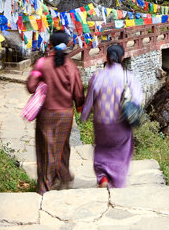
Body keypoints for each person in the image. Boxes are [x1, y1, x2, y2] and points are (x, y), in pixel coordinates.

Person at [26, 31, 84, 195]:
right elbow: (78, 91)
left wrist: (39, 79)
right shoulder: (71, 66)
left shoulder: (42, 63)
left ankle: (45, 186)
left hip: (47, 113)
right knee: (63, 145)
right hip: (65, 113)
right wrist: (80, 108)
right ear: (67, 44)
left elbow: (31, 86)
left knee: (46, 147)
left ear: (50, 44)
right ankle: (64, 176)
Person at [81, 44, 143, 188]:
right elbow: (137, 100)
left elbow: (90, 99)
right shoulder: (128, 77)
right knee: (121, 150)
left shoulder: (98, 76)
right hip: (120, 123)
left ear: (106, 57)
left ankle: (103, 177)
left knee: (102, 148)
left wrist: (84, 116)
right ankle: (117, 181)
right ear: (122, 58)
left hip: (100, 123)